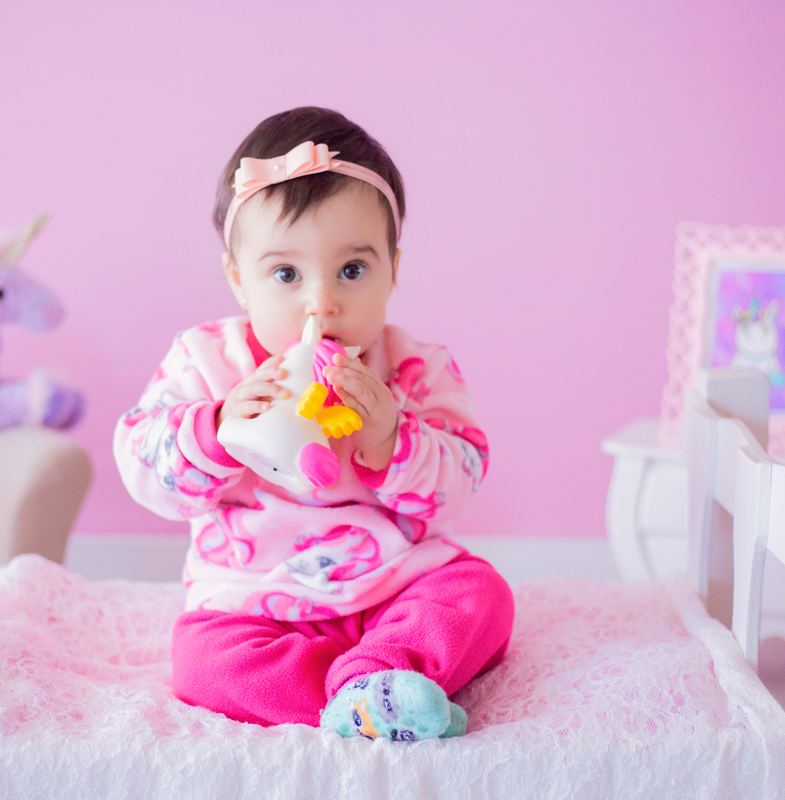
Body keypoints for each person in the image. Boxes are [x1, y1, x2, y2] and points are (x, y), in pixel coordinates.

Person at [114, 106, 513, 741]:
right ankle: (364, 696)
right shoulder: (207, 361)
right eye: (285, 274)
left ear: (393, 271)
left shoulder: (416, 367)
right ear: (239, 280)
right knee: (202, 666)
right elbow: (141, 464)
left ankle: (379, 671)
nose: (320, 302)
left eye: (352, 271)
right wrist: (215, 430)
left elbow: (463, 475)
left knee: (480, 595)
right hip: (252, 605)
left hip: (392, 589)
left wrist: (391, 437)